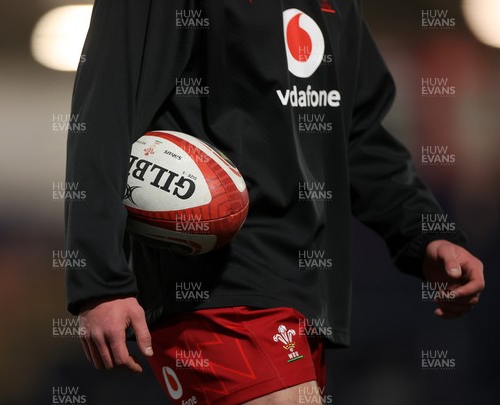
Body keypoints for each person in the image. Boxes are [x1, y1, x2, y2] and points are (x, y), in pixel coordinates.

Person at [64, 1, 485, 403]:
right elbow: (107, 106)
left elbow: (355, 134)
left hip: (308, 291)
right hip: (216, 284)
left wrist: (424, 230)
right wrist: (100, 280)